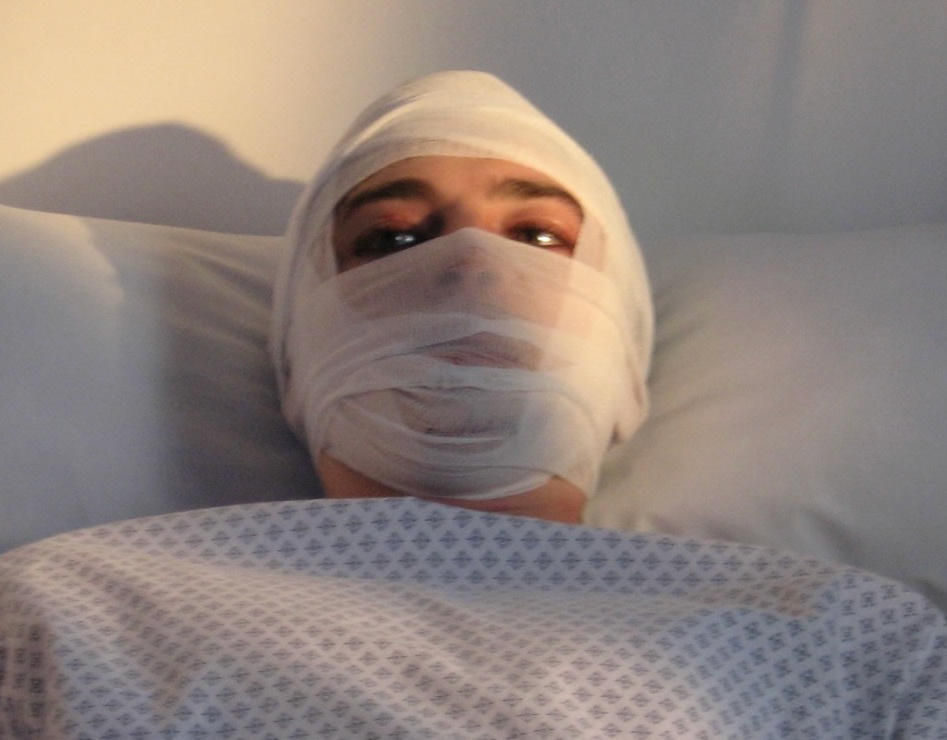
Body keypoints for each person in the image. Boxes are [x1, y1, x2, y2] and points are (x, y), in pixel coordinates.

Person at [269, 70, 653, 524]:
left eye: (537, 236)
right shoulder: (189, 566)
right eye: (393, 239)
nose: (471, 264)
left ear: (627, 356)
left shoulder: (725, 573)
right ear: (295, 346)